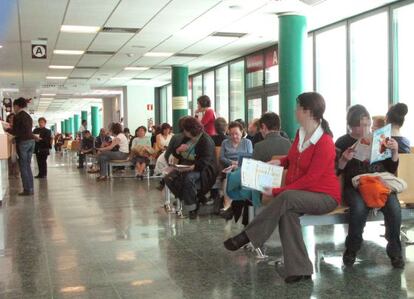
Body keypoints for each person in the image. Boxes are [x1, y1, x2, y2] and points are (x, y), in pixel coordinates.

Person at [224, 92, 340, 284]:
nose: (295, 111)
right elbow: (293, 158)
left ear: (307, 111)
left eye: (297, 108)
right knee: (287, 214)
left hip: (324, 196)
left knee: (286, 198)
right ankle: (299, 269)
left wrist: (277, 191)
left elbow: (312, 178)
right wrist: (280, 162)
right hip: (302, 195)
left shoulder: (324, 142)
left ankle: (248, 235)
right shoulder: (301, 133)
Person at [336, 104, 404, 269]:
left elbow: (391, 168)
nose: (365, 129)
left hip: (378, 182)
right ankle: (352, 248)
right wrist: (344, 159)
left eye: (367, 124)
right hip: (355, 185)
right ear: (352, 126)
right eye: (361, 125)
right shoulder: (342, 141)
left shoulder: (379, 139)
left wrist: (394, 152)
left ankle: (395, 251)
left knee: (394, 207)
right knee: (359, 207)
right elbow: (336, 170)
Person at [165, 117, 218, 219]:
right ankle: (190, 199)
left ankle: (192, 208)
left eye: (185, 130)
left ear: (191, 130)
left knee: (188, 178)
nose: (184, 132)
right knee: (168, 178)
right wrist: (178, 151)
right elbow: (176, 155)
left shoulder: (206, 141)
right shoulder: (187, 138)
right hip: (186, 165)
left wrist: (188, 168)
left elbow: (204, 162)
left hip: (204, 169)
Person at [219, 122, 253, 217]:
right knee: (228, 175)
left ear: (242, 132)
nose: (234, 136)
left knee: (233, 175)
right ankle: (227, 205)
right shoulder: (225, 143)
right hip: (229, 167)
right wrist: (231, 163)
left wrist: (238, 164)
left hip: (243, 167)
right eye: (231, 134)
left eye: (236, 134)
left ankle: (231, 206)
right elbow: (221, 158)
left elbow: (250, 157)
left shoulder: (247, 142)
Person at [6, 98, 36, 196]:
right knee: (27, 166)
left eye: (14, 106)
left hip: (23, 142)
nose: (13, 109)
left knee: (23, 166)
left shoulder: (18, 116)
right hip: (31, 142)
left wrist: (7, 129)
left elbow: (16, 132)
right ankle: (30, 188)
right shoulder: (28, 116)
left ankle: (27, 189)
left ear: (17, 106)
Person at [6, 113, 19, 178]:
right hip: (8, 144)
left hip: (16, 143)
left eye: (13, 118)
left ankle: (16, 173)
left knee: (16, 159)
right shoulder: (6, 126)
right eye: (10, 118)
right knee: (9, 159)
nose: (11, 119)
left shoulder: (17, 126)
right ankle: (10, 174)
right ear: (8, 118)